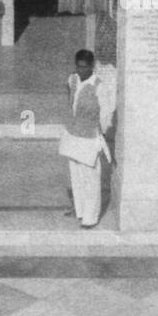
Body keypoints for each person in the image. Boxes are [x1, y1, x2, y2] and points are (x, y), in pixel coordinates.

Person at [58, 49, 112, 228]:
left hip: (89, 138)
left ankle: (91, 217)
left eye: (85, 67)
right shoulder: (71, 79)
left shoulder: (99, 86)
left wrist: (99, 133)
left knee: (91, 179)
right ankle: (80, 211)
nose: (82, 71)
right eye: (79, 67)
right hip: (73, 136)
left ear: (92, 66)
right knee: (76, 176)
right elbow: (70, 102)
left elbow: (106, 114)